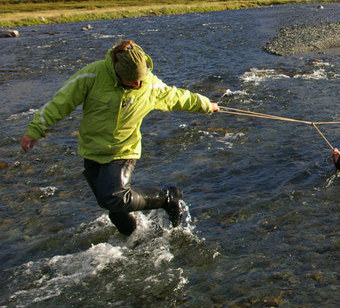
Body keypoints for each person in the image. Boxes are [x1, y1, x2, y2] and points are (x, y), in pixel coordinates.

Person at [21, 40, 220, 236]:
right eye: (132, 81)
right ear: (117, 71)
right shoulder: (93, 75)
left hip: (123, 150)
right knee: (115, 212)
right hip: (92, 150)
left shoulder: (149, 86)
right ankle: (135, 241)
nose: (137, 84)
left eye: (140, 79)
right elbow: (61, 102)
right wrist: (36, 128)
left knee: (116, 198)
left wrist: (206, 105)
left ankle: (167, 198)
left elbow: (178, 97)